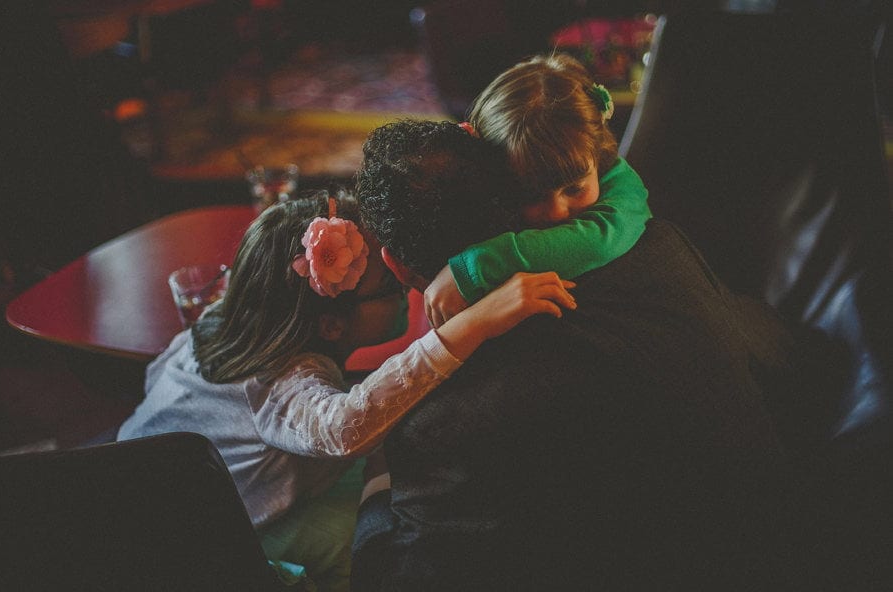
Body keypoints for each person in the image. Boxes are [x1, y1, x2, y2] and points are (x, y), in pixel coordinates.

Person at [352, 119, 812, 590]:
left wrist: (373, 495)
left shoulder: (437, 426)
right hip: (790, 541)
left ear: (396, 265)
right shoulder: (658, 244)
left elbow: (404, 576)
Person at [117, 190, 575, 591]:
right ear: (332, 324)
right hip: (204, 536)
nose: (403, 284)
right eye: (389, 285)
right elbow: (344, 429)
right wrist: (471, 325)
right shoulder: (282, 381)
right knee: (358, 543)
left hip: (137, 484)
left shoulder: (227, 319)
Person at [423, 53, 651, 328]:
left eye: (575, 189)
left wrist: (473, 269)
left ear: (598, 149)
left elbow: (597, 240)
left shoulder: (624, 185)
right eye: (530, 195)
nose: (556, 212)